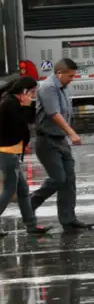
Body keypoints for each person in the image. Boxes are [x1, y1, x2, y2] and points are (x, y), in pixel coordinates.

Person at [30, 58, 94, 232]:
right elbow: (54, 114)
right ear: (59, 73)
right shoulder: (47, 87)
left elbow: (66, 113)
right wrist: (71, 133)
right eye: (70, 76)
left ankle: (68, 219)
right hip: (46, 140)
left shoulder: (64, 87)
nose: (72, 79)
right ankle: (29, 205)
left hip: (60, 140)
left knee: (69, 180)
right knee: (58, 178)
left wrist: (67, 135)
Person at [0, 77, 49, 237]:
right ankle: (31, 224)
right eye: (32, 93)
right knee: (9, 189)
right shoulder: (10, 104)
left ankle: (31, 225)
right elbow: (21, 124)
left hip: (12, 152)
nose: (33, 96)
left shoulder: (11, 102)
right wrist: (27, 107)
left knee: (22, 190)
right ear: (24, 91)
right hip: (7, 153)